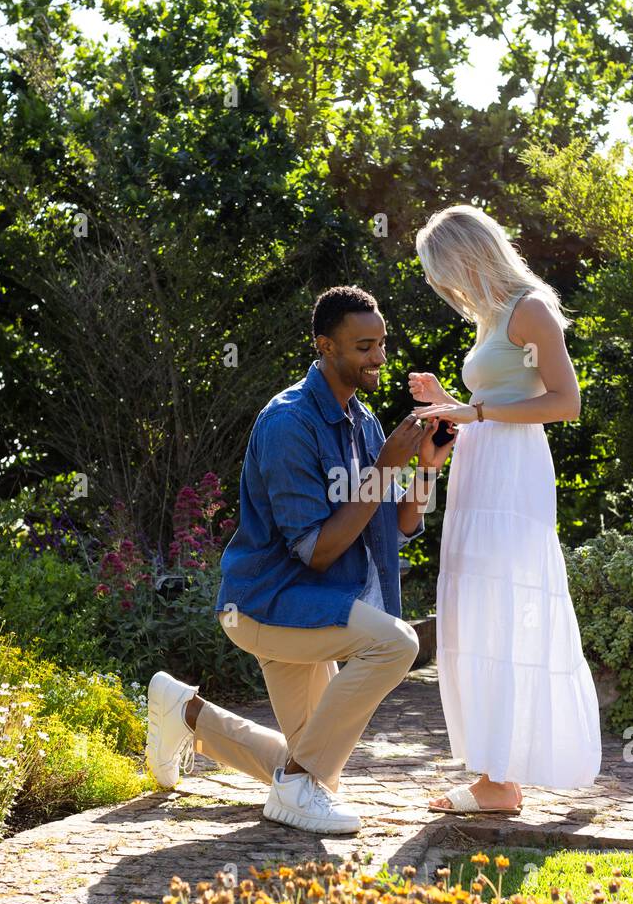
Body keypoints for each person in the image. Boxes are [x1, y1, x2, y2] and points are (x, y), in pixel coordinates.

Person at [144, 285, 456, 834]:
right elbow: (317, 551)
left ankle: (186, 714)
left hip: (316, 606)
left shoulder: (363, 422)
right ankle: (292, 785)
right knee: (397, 642)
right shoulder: (289, 422)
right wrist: (385, 467)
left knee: (313, 774)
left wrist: (426, 465)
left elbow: (400, 524)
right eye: (363, 347)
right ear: (325, 347)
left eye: (381, 344)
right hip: (267, 604)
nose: (378, 358)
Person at [408, 205, 602, 814]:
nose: (445, 285)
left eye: (445, 269)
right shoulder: (490, 317)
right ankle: (495, 773)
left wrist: (478, 414)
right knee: (474, 609)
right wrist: (450, 403)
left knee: (507, 603)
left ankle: (502, 779)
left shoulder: (531, 309)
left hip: (513, 472)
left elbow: (565, 402)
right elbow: (491, 399)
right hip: (480, 467)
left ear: (470, 252)